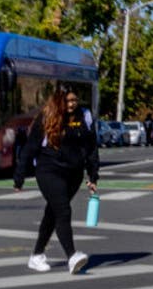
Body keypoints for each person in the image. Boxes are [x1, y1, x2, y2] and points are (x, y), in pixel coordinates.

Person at [13, 88, 99, 275]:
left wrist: (93, 175)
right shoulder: (47, 116)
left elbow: (91, 147)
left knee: (53, 212)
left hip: (74, 173)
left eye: (75, 100)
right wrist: (19, 176)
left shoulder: (84, 116)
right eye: (68, 101)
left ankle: (36, 255)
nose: (72, 104)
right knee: (63, 210)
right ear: (59, 101)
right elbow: (30, 147)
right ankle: (72, 256)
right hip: (49, 170)